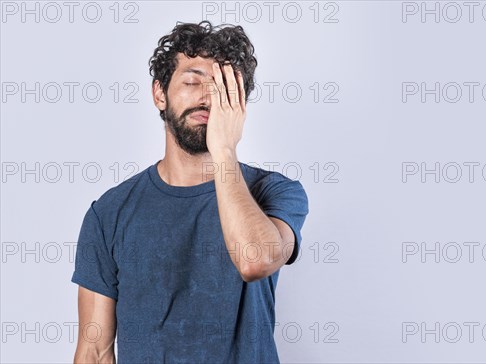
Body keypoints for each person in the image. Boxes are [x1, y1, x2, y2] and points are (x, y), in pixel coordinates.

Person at [71, 20, 309, 363]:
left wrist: (224, 150)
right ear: (159, 94)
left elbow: (254, 260)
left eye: (222, 88)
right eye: (193, 81)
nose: (206, 97)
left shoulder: (276, 192)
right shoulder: (109, 213)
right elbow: (94, 351)